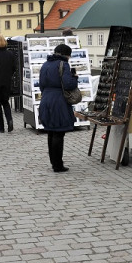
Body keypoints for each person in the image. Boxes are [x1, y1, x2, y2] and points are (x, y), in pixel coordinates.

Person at [37, 44, 78, 172]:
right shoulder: (63, 65)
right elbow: (68, 84)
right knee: (59, 133)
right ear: (66, 54)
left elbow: (41, 84)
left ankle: (54, 163)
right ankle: (58, 165)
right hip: (58, 101)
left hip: (46, 99)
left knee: (51, 131)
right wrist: (74, 78)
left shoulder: (45, 64)